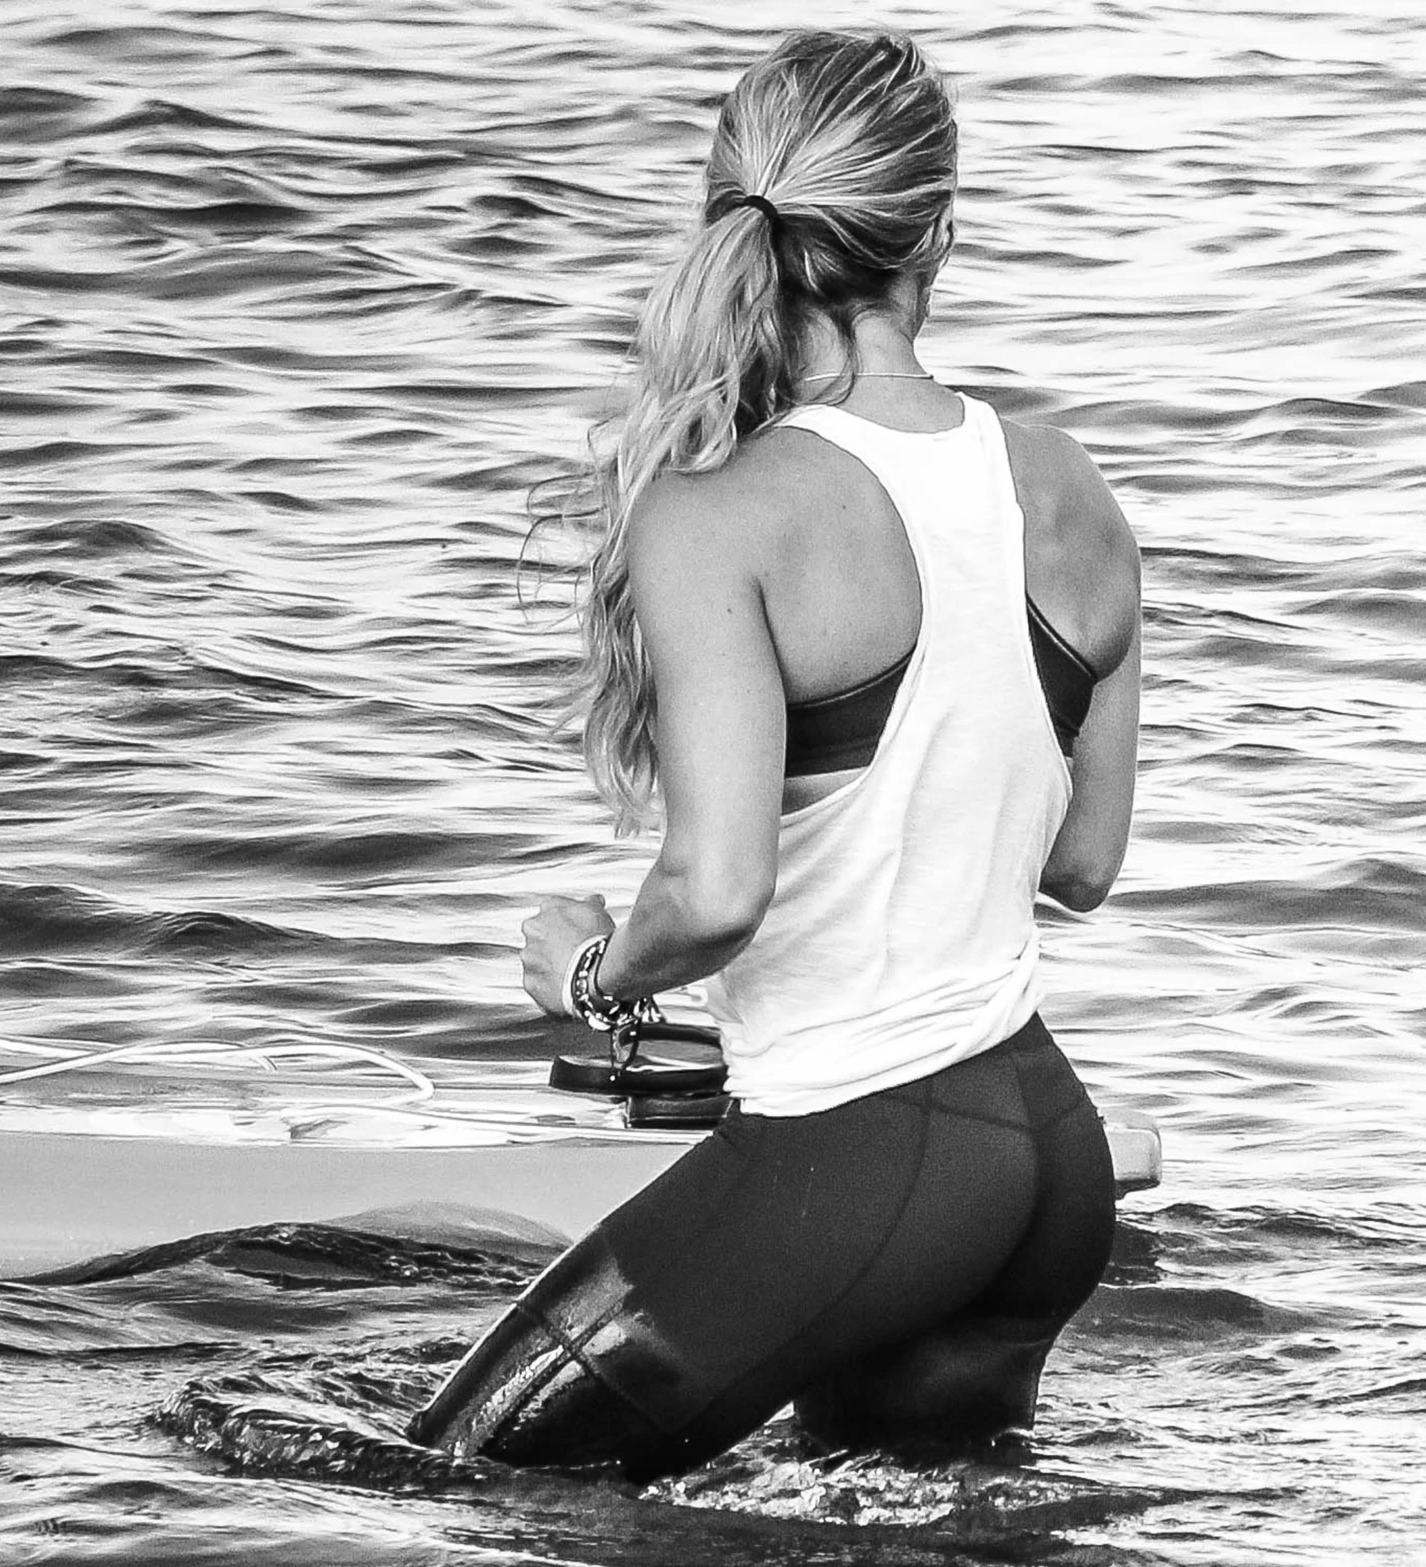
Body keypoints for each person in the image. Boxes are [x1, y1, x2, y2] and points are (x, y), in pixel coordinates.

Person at [407, 30, 1142, 1482]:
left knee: (462, 1483)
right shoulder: (1066, 482)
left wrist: (589, 973)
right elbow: (1082, 864)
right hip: (1049, 1155)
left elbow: (721, 886)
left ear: (727, 215)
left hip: (861, 1161)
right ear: (939, 227)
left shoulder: (717, 514)